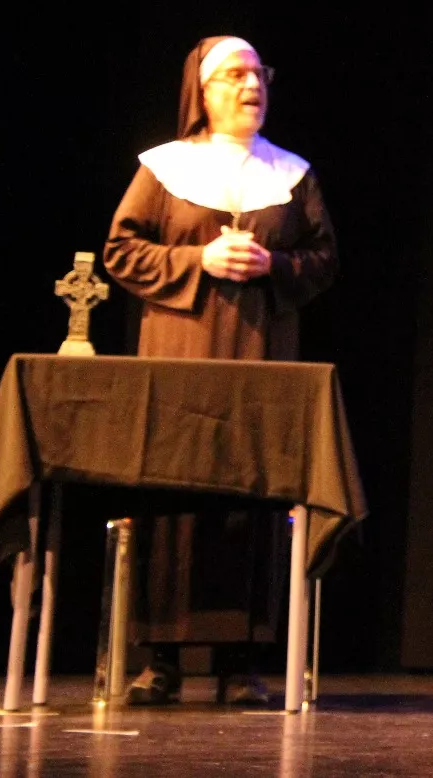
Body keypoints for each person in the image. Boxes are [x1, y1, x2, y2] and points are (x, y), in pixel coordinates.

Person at [103, 36, 338, 705]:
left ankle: (242, 662)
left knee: (252, 493)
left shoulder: (292, 173)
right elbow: (122, 251)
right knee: (169, 493)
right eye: (235, 75)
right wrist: (195, 262)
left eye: (259, 74)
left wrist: (277, 266)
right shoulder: (164, 168)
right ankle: (161, 659)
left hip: (262, 356)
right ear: (202, 92)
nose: (251, 86)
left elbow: (324, 260)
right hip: (179, 354)